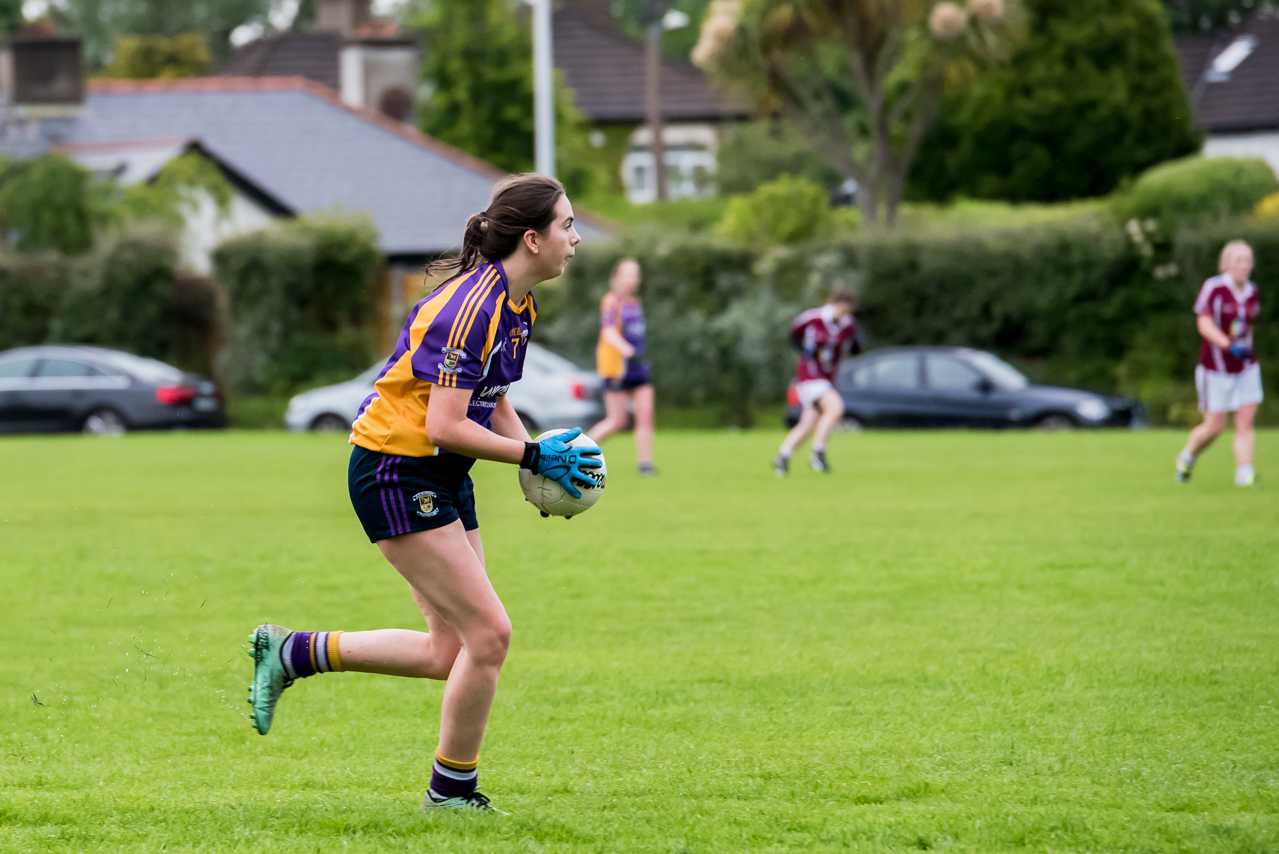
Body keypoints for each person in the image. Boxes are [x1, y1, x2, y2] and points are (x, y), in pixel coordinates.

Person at [245, 174, 602, 814]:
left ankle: (293, 650)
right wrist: (532, 454)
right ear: (532, 238)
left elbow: (491, 401)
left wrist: (532, 468)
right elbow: (443, 423)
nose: (576, 238)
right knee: (490, 635)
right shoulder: (470, 307)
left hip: (440, 473)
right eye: (568, 225)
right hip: (395, 470)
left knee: (453, 650)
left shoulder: (515, 303)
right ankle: (452, 793)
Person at [1176, 239, 1262, 487]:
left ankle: (1244, 474)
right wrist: (1226, 344)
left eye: (1248, 260)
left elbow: (1249, 327)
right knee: (1215, 427)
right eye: (1239, 260)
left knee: (1245, 420)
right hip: (1216, 368)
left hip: (1246, 366)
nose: (1244, 266)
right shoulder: (1214, 288)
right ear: (1227, 263)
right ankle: (1188, 456)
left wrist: (1246, 350)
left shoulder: (1252, 291)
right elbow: (1203, 323)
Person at [774, 288, 863, 476]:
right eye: (843, 308)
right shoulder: (812, 319)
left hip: (828, 378)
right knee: (835, 408)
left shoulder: (848, 324)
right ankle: (818, 452)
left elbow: (856, 345)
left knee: (807, 423)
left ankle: (783, 456)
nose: (844, 313)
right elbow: (794, 335)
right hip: (810, 377)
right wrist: (806, 354)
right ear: (833, 303)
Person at [589, 258, 657, 475]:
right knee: (617, 421)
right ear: (616, 277)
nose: (633, 279)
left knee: (645, 414)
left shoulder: (636, 302)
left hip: (639, 369)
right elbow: (608, 332)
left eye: (636, 274)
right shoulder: (611, 301)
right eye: (628, 274)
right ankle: (578, 450)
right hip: (617, 369)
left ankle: (645, 464)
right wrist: (625, 349)